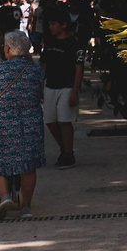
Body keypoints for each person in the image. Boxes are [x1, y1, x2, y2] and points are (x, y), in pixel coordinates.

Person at [0, 31, 45, 219]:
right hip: (30, 122)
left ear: (7, 49)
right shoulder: (36, 70)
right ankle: (26, 207)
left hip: (2, 121)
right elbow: (38, 92)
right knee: (28, 165)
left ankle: (5, 196)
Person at [40, 9, 84, 169]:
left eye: (54, 24)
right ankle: (64, 149)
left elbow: (79, 68)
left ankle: (68, 153)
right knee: (50, 121)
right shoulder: (50, 42)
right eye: (49, 24)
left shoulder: (74, 43)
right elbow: (44, 65)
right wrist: (40, 84)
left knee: (65, 121)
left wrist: (75, 90)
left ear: (63, 25)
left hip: (67, 86)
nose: (51, 27)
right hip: (50, 86)